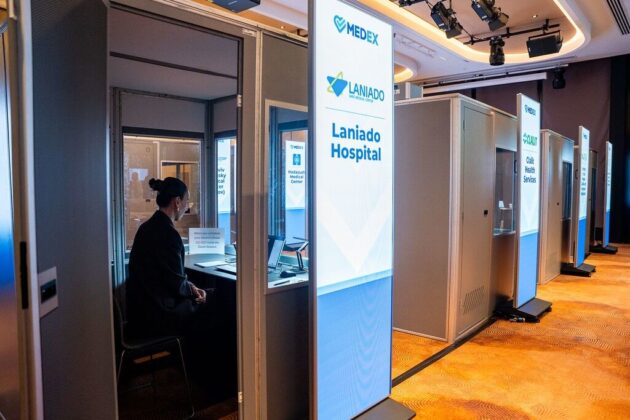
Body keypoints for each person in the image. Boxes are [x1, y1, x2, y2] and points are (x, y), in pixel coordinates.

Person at [126, 177, 209, 339]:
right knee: (213, 299)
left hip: (141, 312)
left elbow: (167, 277)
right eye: (186, 201)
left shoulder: (146, 228)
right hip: (159, 315)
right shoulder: (169, 235)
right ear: (177, 202)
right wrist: (193, 290)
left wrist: (190, 286)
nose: (187, 206)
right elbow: (176, 285)